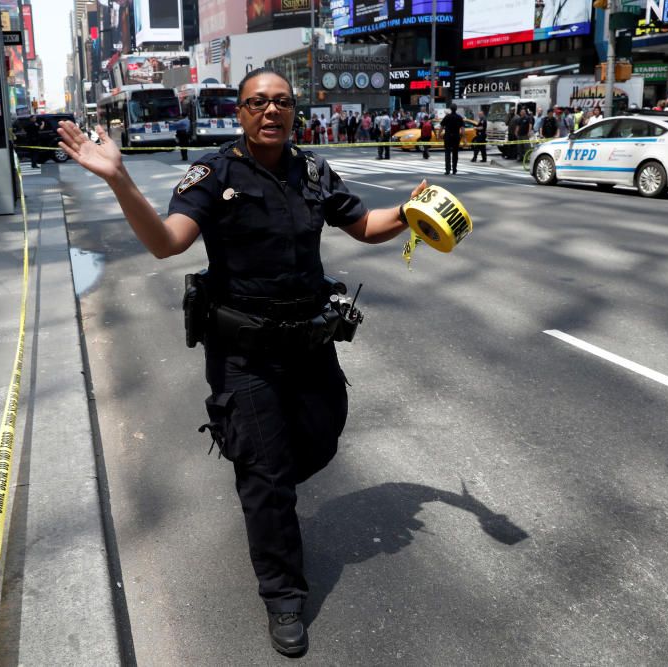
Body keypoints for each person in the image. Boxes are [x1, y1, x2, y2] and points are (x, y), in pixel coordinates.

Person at [55, 66, 427, 657]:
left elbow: (363, 226)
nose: (271, 111)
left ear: (294, 110)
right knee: (266, 474)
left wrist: (410, 213)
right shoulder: (215, 171)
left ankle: (267, 478)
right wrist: (120, 179)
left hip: (310, 346)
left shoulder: (312, 170)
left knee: (324, 434)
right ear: (240, 112)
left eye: (281, 102)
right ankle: (282, 595)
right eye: (258, 102)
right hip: (243, 353)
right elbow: (166, 241)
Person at [440, 103, 464, 175]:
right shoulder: (459, 117)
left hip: (448, 137)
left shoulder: (447, 117)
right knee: (455, 153)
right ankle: (454, 170)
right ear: (456, 109)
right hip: (456, 137)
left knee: (447, 153)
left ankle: (447, 170)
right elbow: (462, 129)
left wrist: (438, 135)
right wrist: (462, 137)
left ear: (450, 109)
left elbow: (441, 127)